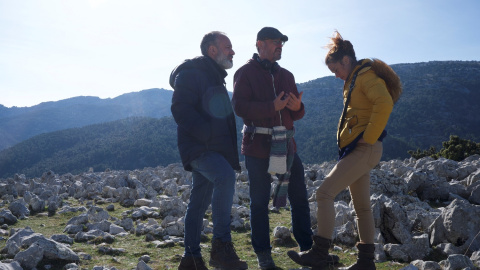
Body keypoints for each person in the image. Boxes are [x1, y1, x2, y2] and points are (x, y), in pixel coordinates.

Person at [287, 31, 402, 270]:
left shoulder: (365, 76)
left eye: (336, 70)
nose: (336, 76)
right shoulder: (355, 78)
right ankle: (366, 262)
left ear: (346, 61)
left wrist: (369, 138)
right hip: (358, 150)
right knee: (361, 207)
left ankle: (319, 252)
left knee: (324, 193)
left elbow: (384, 102)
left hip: (364, 149)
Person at [232, 26, 314, 270]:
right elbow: (239, 108)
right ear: (260, 44)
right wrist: (272, 107)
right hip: (257, 148)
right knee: (258, 203)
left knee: (299, 197)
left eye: (281, 42)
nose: (279, 45)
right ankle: (264, 257)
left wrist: (298, 107)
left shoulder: (286, 75)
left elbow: (295, 114)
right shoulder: (244, 73)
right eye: (275, 41)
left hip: (286, 146)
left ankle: (307, 250)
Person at [170, 31, 248, 270]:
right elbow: (180, 109)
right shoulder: (192, 73)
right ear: (213, 50)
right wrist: (207, 134)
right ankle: (221, 247)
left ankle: (191, 258)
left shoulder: (214, 76)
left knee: (199, 201)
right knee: (224, 176)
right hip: (201, 148)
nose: (233, 51)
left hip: (210, 148)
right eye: (228, 46)